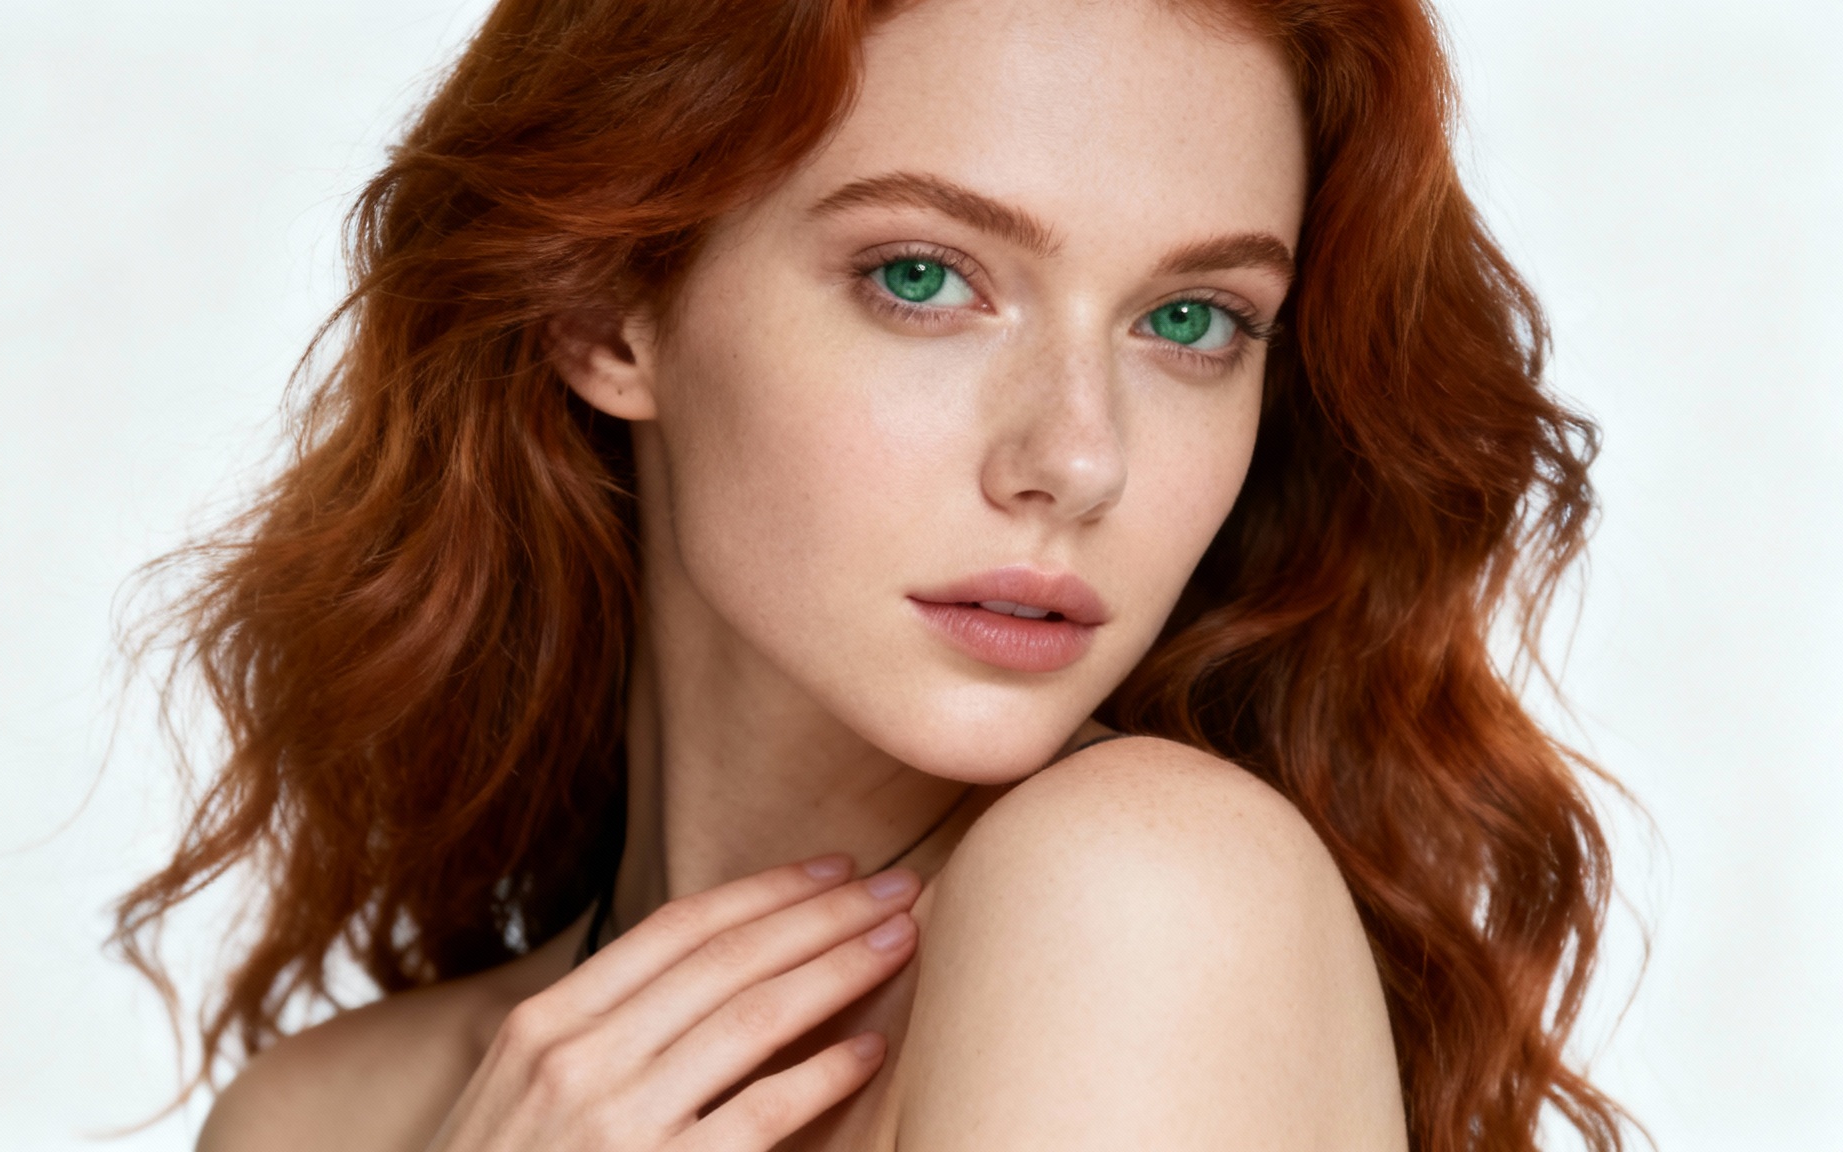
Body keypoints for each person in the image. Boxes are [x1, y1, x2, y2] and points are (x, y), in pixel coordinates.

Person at [114, 0, 1632, 1148]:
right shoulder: (320, 1117)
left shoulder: (1143, 892)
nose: (1077, 459)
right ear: (609, 312)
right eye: (924, 277)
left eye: (1192, 321)